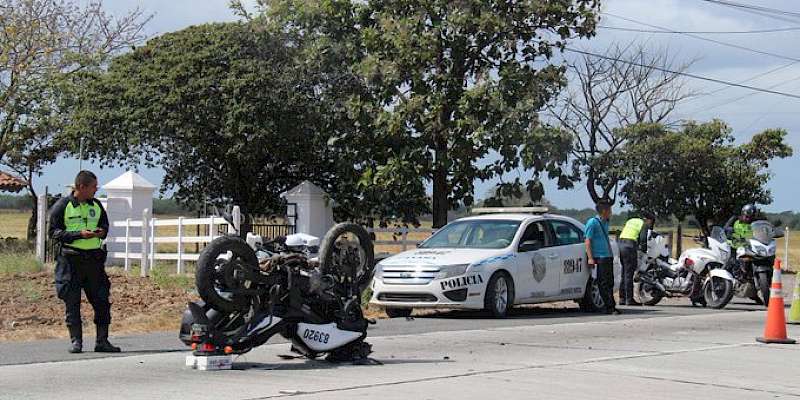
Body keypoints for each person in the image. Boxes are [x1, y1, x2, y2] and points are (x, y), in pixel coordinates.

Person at [49, 170, 121, 353]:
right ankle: (76, 342)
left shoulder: (96, 205)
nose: (96, 190)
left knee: (102, 301)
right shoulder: (63, 205)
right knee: (72, 302)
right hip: (71, 261)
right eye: (93, 187)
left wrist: (100, 232)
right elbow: (53, 233)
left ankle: (102, 341)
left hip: (93, 262)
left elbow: (105, 226)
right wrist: (78, 235)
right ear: (82, 187)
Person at [584, 200, 618, 314]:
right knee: (602, 283)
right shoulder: (592, 222)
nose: (611, 213)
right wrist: (590, 258)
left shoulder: (605, 222)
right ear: (604, 211)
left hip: (608, 256)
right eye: (609, 210)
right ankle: (609, 307)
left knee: (610, 282)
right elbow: (587, 241)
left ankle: (612, 305)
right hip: (600, 256)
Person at [617, 211, 656, 306]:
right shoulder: (644, 224)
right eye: (651, 222)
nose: (651, 225)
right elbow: (643, 239)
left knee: (624, 272)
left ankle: (622, 298)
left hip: (620, 244)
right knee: (629, 274)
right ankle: (629, 300)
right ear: (648, 220)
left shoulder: (631, 221)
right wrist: (645, 251)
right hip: (630, 246)